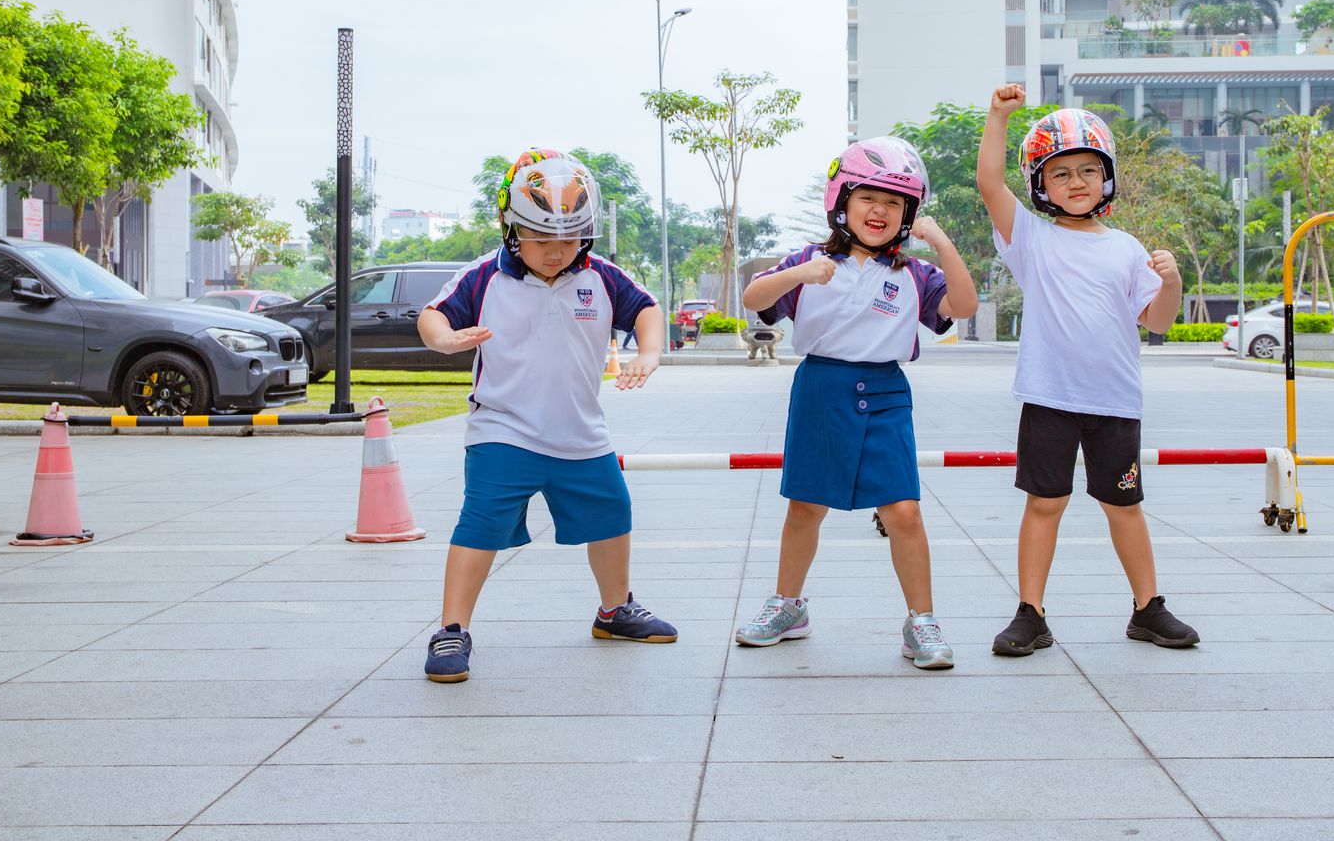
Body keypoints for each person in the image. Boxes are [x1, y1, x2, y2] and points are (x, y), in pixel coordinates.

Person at [417, 149, 676, 684]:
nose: (557, 251)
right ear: (511, 228)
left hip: (581, 432)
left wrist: (648, 354)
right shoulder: (484, 276)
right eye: (541, 238)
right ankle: (451, 629)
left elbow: (647, 309)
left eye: (570, 238)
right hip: (502, 430)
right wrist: (444, 339)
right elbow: (432, 315)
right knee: (480, 524)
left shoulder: (601, 276)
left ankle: (614, 610)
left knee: (613, 515)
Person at [734, 136, 978, 669]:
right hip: (820, 389)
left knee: (903, 510)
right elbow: (753, 299)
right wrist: (799, 274)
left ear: (908, 215)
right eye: (869, 197)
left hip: (886, 392)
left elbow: (962, 305)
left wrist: (942, 244)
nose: (880, 210)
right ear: (842, 200)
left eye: (894, 203)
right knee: (805, 506)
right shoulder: (809, 260)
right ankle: (788, 606)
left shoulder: (914, 274)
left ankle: (921, 621)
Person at [976, 88, 1200, 655]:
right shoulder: (1031, 238)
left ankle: (1148, 608)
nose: (1076, 182)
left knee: (1123, 505)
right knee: (1044, 503)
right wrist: (998, 117)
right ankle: (1030, 613)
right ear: (1040, 185)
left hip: (1115, 403)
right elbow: (990, 184)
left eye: (1088, 170)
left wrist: (1171, 282)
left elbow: (1157, 321)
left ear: (1107, 178)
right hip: (1050, 398)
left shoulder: (1126, 248)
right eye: (1060, 173)